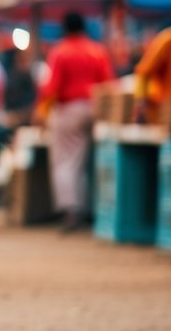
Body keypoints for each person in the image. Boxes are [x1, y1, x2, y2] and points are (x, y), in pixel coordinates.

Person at [38, 12, 115, 230]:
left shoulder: (60, 51)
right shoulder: (97, 51)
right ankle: (91, 208)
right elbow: (108, 83)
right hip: (94, 109)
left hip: (68, 109)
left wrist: (41, 110)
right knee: (86, 162)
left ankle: (72, 211)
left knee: (65, 162)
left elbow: (51, 87)